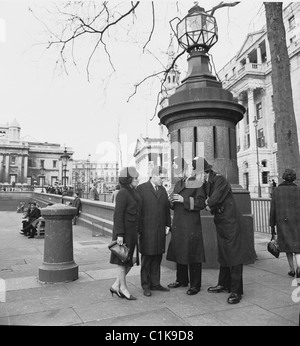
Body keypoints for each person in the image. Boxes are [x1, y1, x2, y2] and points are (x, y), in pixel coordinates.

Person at [202, 157, 256, 304]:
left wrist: (208, 204)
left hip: (231, 221)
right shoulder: (206, 181)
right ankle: (224, 284)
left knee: (234, 254)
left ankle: (236, 291)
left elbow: (215, 198)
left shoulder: (219, 179)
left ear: (204, 171)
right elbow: (203, 198)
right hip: (221, 220)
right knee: (224, 252)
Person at [166, 156, 206, 296]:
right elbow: (173, 204)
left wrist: (184, 200)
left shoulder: (197, 182)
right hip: (178, 223)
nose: (175, 172)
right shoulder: (178, 183)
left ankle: (195, 285)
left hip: (191, 224)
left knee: (193, 254)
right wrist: (170, 200)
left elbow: (201, 203)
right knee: (180, 251)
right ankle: (181, 280)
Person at [136, 166, 171, 297]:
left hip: (160, 230)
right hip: (146, 231)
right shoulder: (141, 189)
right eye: (161, 178)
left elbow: (166, 209)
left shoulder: (162, 190)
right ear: (154, 176)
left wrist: (168, 225)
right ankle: (146, 285)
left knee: (157, 257)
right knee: (147, 258)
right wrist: (138, 230)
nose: (163, 180)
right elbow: (137, 211)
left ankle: (155, 283)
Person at [109, 166, 141, 300]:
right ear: (128, 179)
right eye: (135, 178)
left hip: (132, 232)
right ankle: (123, 288)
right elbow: (118, 215)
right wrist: (120, 235)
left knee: (128, 261)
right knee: (123, 262)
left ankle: (116, 285)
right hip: (124, 233)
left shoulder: (132, 192)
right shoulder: (123, 193)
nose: (137, 180)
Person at [269, 168, 300, 283]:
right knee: (297, 247)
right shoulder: (298, 190)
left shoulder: (276, 191)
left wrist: (272, 226)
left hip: (283, 223)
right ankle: (299, 269)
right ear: (294, 178)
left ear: (283, 177)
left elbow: (273, 210)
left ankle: (292, 269)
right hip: (297, 222)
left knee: (287, 247)